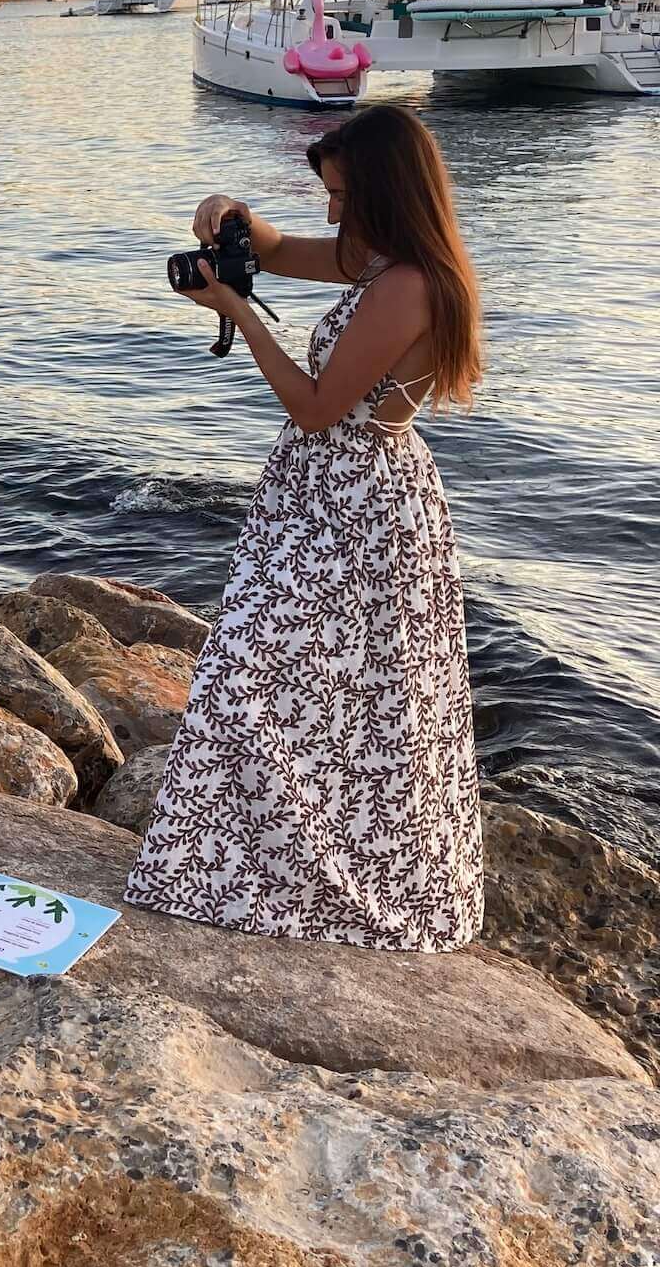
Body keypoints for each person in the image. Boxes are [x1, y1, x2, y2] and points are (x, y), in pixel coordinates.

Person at [125, 103, 483, 951]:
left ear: (386, 194)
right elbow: (281, 251)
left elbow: (319, 410)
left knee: (281, 682)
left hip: (357, 512)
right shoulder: (384, 261)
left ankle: (310, 877)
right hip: (330, 506)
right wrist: (228, 213)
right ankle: (255, 862)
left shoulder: (407, 288)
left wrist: (237, 311)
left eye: (341, 197)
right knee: (311, 691)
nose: (330, 213)